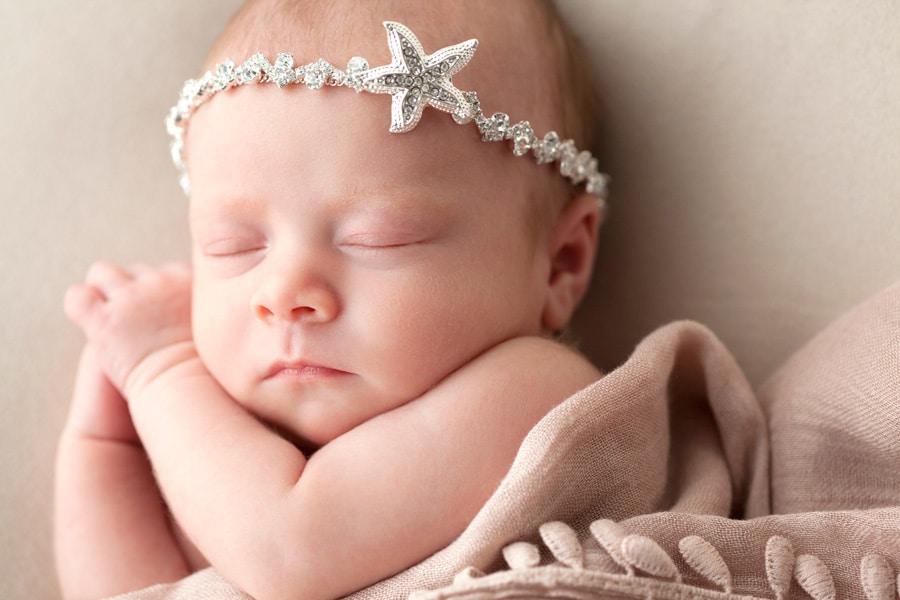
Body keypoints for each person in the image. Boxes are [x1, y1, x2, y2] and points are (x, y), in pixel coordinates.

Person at [55, 1, 608, 599]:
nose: (285, 295)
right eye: (234, 246)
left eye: (378, 238)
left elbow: (290, 552)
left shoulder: (534, 396)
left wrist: (157, 370)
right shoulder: (213, 447)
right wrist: (105, 441)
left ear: (559, 265)